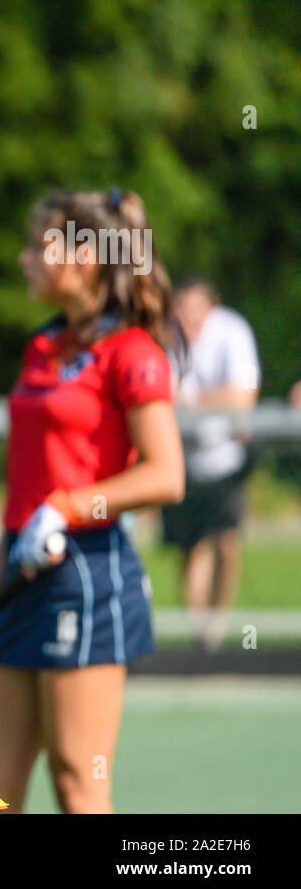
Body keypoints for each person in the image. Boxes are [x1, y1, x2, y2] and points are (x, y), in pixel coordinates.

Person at [0, 187, 185, 813]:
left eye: (38, 246)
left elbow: (166, 475)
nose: (25, 258)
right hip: (22, 573)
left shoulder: (133, 352)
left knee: (77, 782)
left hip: (86, 578)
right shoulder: (42, 345)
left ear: (84, 258)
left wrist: (69, 506)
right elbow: (30, 486)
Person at [161, 277, 261, 651]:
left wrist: (189, 398)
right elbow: (159, 399)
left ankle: (215, 630)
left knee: (226, 542)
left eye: (194, 308)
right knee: (190, 546)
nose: (187, 317)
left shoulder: (232, 331)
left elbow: (241, 397)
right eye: (181, 308)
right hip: (181, 458)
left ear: (212, 307)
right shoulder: (165, 333)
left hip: (227, 458)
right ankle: (203, 638)